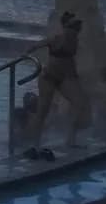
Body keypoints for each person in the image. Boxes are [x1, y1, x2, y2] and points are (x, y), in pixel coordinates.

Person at [31, 11, 92, 152]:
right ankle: (35, 145)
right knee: (42, 110)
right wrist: (25, 54)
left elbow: (71, 62)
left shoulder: (75, 40)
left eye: (78, 27)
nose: (77, 29)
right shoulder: (57, 38)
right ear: (66, 27)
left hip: (65, 77)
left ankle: (70, 140)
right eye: (74, 26)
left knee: (79, 102)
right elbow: (37, 45)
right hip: (49, 77)